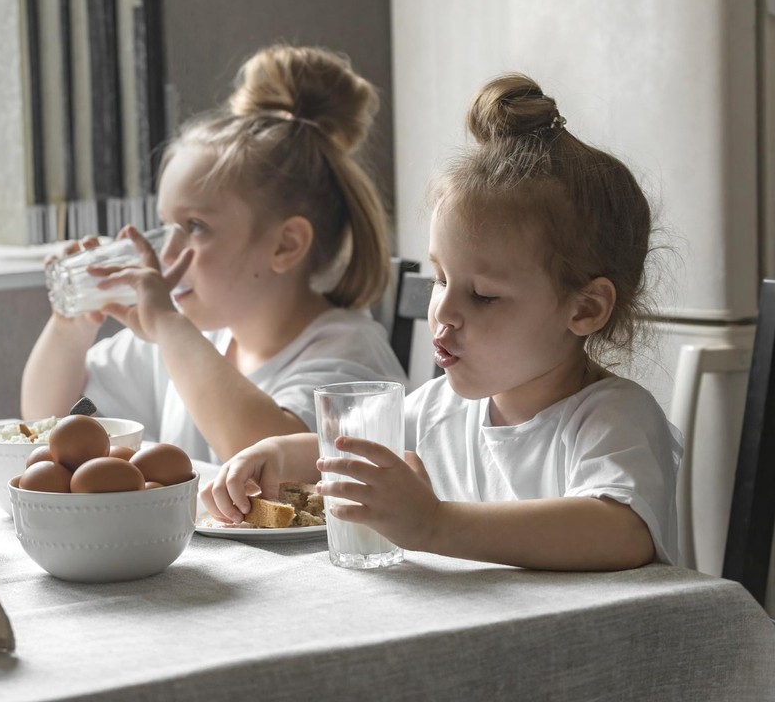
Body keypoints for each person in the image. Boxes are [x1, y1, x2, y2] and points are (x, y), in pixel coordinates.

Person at [201, 73, 682, 572]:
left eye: (483, 295)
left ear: (584, 309)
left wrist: (434, 524)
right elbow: (350, 449)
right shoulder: (438, 409)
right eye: (439, 279)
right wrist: (276, 454)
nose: (444, 312)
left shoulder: (614, 418)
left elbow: (621, 532)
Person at [21, 45, 407, 464]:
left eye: (195, 227)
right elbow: (48, 421)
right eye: (165, 225)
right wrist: (72, 326)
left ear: (286, 245)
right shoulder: (194, 334)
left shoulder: (350, 358)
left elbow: (266, 458)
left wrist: (169, 326)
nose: (165, 253)